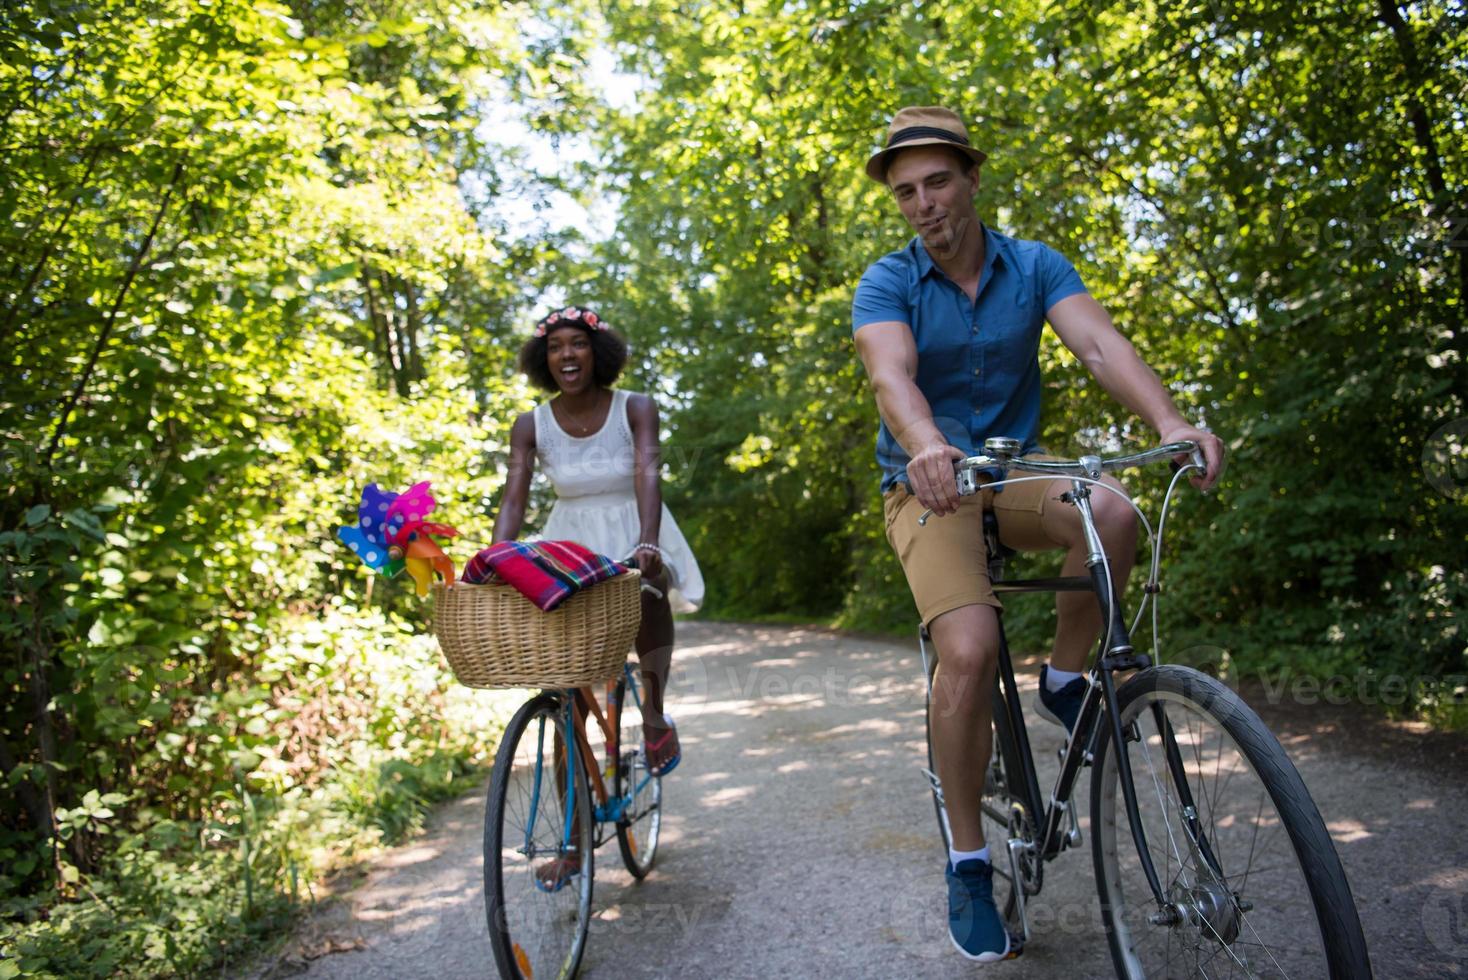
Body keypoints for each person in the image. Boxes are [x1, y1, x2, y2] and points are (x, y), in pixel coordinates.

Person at [851, 106, 1224, 963]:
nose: (923, 203)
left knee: (1114, 509)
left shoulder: (1034, 265)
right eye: (905, 191)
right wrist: (927, 445)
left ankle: (1064, 677)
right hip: (928, 485)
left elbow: (1097, 345)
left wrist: (1171, 419)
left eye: (937, 180)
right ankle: (969, 861)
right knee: (971, 652)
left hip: (1013, 472)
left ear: (972, 178)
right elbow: (890, 373)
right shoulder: (888, 281)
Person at [492, 304, 705, 884]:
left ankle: (655, 711)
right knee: (563, 695)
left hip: (633, 529)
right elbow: (514, 498)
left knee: (651, 588)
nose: (567, 355)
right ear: (544, 359)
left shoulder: (634, 407)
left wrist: (647, 541)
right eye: (556, 346)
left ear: (597, 352)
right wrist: (495, 557)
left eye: (578, 344)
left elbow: (646, 473)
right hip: (568, 540)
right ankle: (572, 840)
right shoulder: (530, 424)